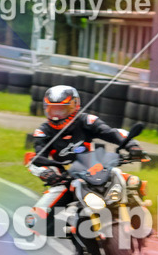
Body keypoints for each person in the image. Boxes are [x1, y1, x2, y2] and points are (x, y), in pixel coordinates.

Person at [27, 84, 144, 234]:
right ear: (46, 109)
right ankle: (72, 231)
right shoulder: (43, 132)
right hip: (66, 179)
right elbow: (37, 158)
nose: (57, 115)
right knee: (34, 221)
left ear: (74, 106)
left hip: (96, 169)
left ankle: (142, 220)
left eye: (62, 109)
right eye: (53, 109)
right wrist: (47, 173)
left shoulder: (87, 121)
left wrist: (132, 146)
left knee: (133, 182)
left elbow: (111, 133)